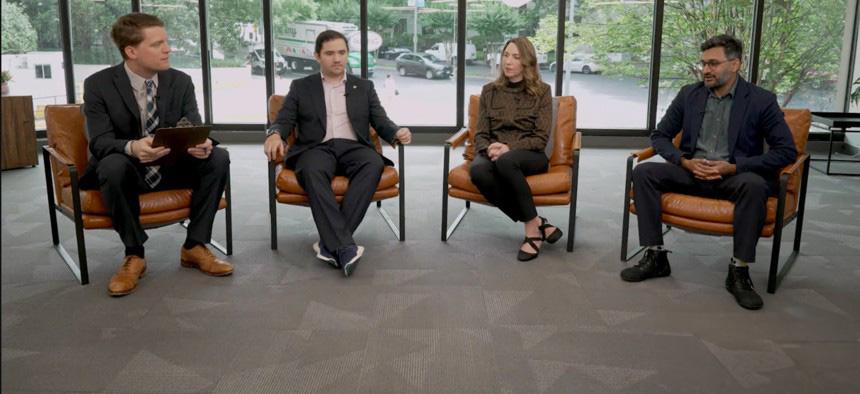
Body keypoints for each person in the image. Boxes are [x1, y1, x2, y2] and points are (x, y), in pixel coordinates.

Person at [620, 34, 796, 310]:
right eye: (703, 64)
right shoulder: (689, 94)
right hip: (692, 171)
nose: (706, 70)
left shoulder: (761, 101)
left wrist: (735, 166)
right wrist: (684, 161)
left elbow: (786, 151)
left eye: (713, 63)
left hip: (734, 176)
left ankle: (739, 271)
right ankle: (656, 256)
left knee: (754, 185)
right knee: (644, 173)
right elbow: (660, 136)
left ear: (735, 64)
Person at [80, 13, 233, 297]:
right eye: (157, 44)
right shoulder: (98, 85)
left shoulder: (180, 81)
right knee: (112, 165)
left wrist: (202, 144)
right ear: (131, 51)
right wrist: (132, 147)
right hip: (129, 170)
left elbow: (192, 125)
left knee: (218, 157)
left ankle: (194, 246)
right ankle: (134, 254)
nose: (168, 49)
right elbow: (99, 142)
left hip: (172, 166)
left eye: (167, 42)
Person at [264, 30, 412, 277]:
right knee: (311, 170)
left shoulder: (363, 87)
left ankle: (328, 243)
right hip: (316, 147)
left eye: (342, 52)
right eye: (330, 53)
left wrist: (397, 132)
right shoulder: (302, 86)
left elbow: (380, 120)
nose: (337, 59)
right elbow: (285, 119)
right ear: (317, 56)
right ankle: (344, 246)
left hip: (353, 147)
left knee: (373, 164)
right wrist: (274, 133)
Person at [469, 37, 562, 262]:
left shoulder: (541, 91)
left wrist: (508, 148)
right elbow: (480, 133)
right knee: (478, 171)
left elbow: (540, 138)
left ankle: (531, 232)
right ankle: (537, 222)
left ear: (527, 62)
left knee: (506, 161)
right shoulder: (489, 91)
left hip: (530, 154)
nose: (508, 62)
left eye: (516, 57)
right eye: (506, 55)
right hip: (493, 151)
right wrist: (490, 148)